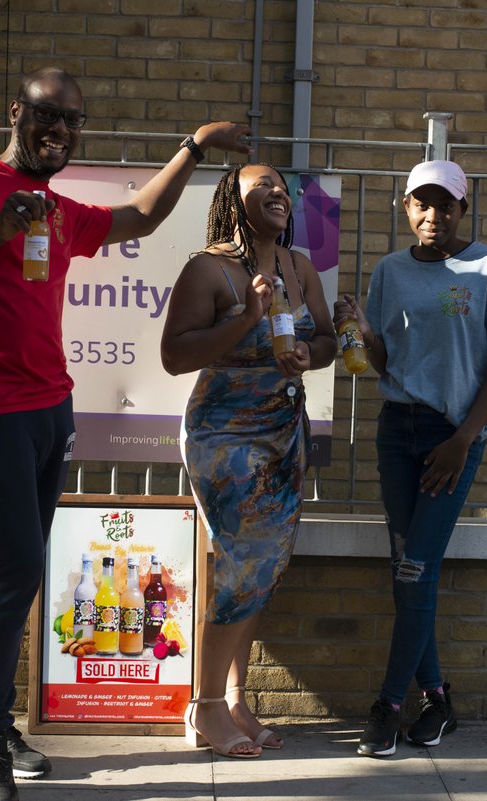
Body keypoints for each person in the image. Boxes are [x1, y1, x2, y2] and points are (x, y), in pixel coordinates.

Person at [0, 66, 250, 801]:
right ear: (15, 113)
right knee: (13, 565)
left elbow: (141, 217)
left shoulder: (57, 211)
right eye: (46, 115)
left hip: (48, 409)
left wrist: (194, 145)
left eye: (72, 121)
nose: (59, 129)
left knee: (18, 569)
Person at [334, 160, 487, 757]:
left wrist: (464, 439)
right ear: (406, 207)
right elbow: (387, 361)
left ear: (463, 208)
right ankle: (438, 699)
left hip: (452, 437)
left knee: (416, 568)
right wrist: (365, 333)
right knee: (407, 567)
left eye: (445, 204)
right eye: (422, 203)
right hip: (398, 432)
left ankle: (389, 707)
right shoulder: (390, 271)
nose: (433, 215)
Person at [160, 164, 337, 758]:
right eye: (262, 185)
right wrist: (246, 320)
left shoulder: (299, 267)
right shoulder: (207, 269)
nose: (277, 192)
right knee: (246, 563)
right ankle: (206, 704)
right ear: (232, 201)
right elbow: (174, 355)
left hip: (284, 431)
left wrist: (308, 352)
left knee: (265, 567)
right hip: (225, 433)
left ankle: (235, 700)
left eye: (282, 185)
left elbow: (327, 339)